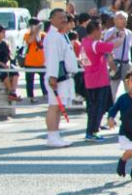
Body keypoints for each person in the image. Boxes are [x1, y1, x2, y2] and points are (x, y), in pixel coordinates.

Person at [44, 8, 80, 148]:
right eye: (60, 18)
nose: (63, 20)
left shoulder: (61, 35)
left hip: (64, 77)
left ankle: (56, 135)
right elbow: (53, 59)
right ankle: (52, 136)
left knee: (59, 107)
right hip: (57, 77)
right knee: (54, 107)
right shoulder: (53, 36)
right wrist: (53, 77)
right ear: (52, 19)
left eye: (65, 18)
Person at [80, 20, 115, 140]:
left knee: (92, 108)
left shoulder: (84, 42)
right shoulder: (96, 45)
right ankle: (93, 132)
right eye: (100, 30)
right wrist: (120, 36)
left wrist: (109, 38)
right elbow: (113, 45)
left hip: (90, 79)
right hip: (99, 80)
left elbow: (103, 44)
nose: (102, 32)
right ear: (95, 31)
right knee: (98, 108)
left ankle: (91, 130)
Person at [103, 12, 132, 101]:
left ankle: (129, 108)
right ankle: (111, 108)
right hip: (114, 62)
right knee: (113, 87)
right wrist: (110, 63)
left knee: (129, 86)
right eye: (121, 18)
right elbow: (105, 47)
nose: (123, 21)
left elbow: (131, 48)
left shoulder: (129, 33)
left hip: (126, 63)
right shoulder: (110, 32)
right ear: (115, 20)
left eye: (125, 19)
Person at [22, 19, 47, 103]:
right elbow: (29, 41)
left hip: (42, 62)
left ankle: (45, 94)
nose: (36, 27)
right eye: (34, 26)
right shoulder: (27, 34)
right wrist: (35, 32)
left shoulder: (43, 35)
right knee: (30, 81)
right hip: (30, 62)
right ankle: (31, 96)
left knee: (44, 79)